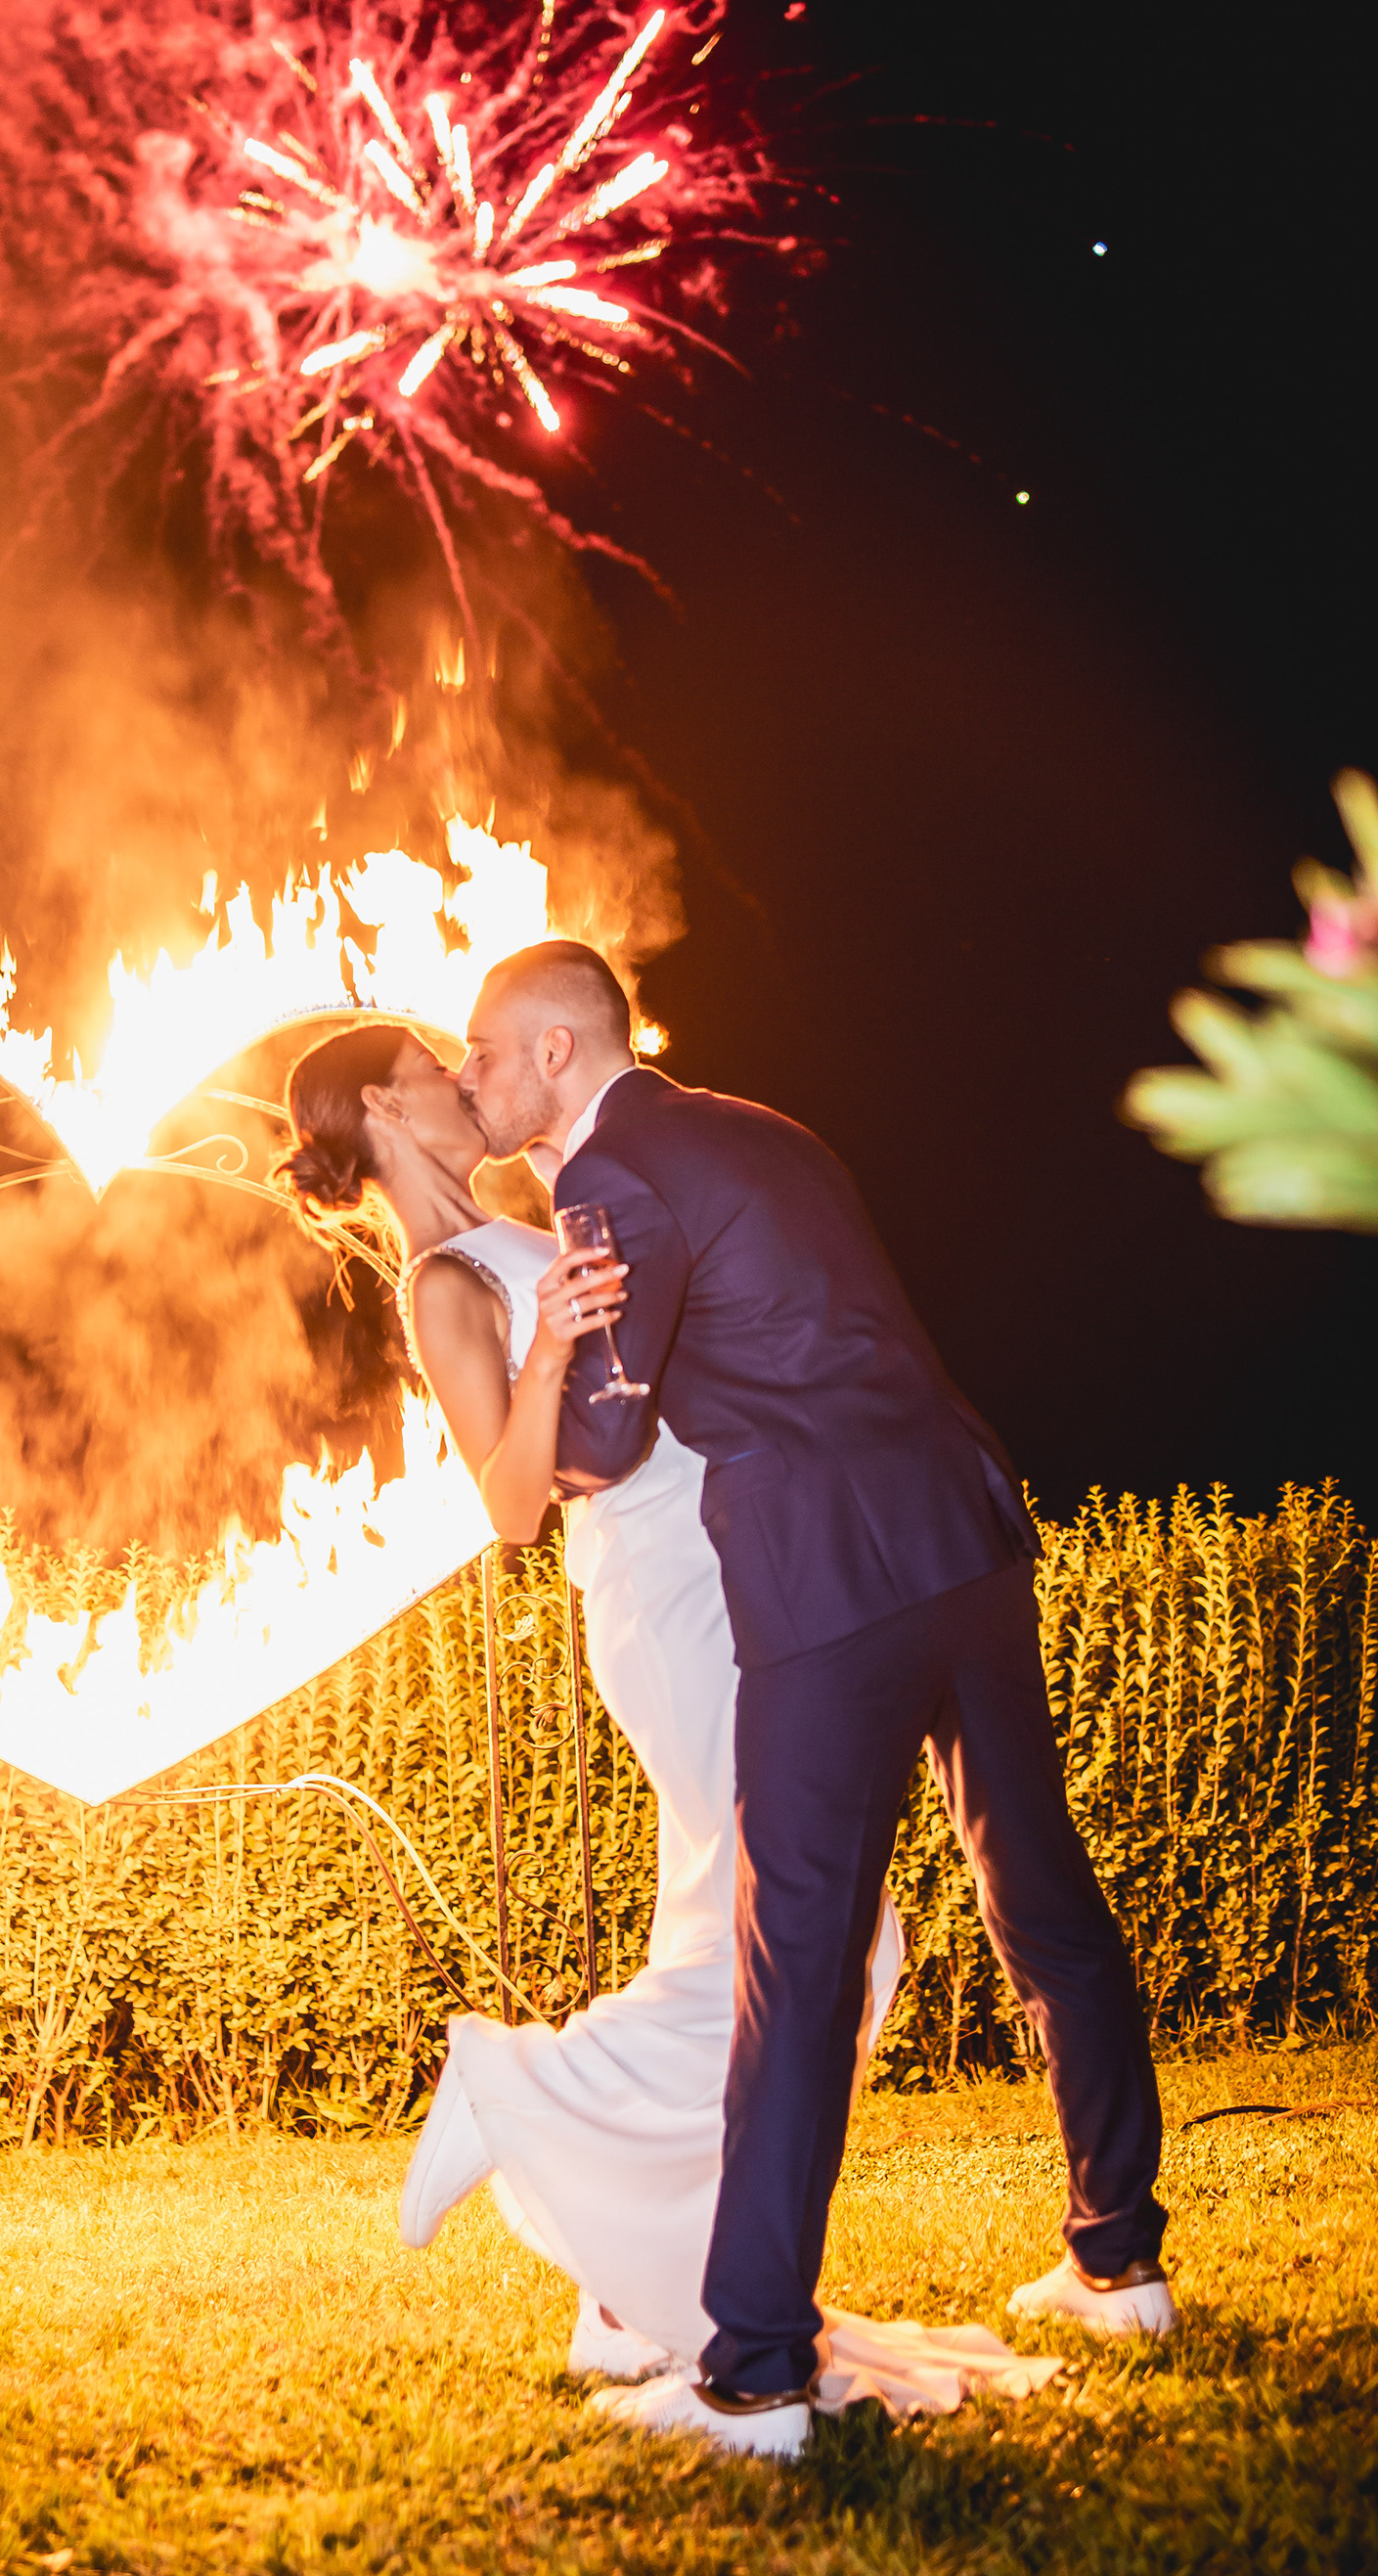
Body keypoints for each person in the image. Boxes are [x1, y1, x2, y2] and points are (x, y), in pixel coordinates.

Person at [456, 940, 1172, 2461]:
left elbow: (596, 1454)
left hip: (828, 1585)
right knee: (1039, 1891)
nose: (471, 1080)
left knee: (794, 1968)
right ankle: (1121, 2261)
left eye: (487, 1054)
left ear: (563, 1056)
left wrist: (557, 1352)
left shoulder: (613, 1178)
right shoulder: (763, 1125)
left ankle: (759, 2376)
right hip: (964, 1540)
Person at [275, 1020, 906, 2382]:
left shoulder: (520, 1214)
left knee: (745, 1944)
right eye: (444, 1064)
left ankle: (624, 2302)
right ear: (387, 1103)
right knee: (826, 1925)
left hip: (716, 1549)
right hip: (658, 1594)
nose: (468, 1076)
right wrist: (553, 1343)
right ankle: (509, 2090)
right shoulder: (441, 1281)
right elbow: (508, 1510)